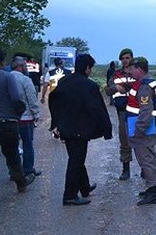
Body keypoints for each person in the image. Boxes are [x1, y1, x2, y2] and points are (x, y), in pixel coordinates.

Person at [49, 54, 113, 206]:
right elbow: (98, 109)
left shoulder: (64, 81)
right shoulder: (89, 86)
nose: (91, 71)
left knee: (76, 158)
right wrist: (107, 130)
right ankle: (69, 195)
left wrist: (56, 123)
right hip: (80, 129)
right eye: (91, 68)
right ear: (87, 68)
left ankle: (84, 187)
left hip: (66, 128)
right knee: (76, 161)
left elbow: (53, 101)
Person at [0, 48, 35, 204]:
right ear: (3, 61)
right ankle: (21, 184)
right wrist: (18, 113)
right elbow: (16, 99)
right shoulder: (7, 78)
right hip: (7, 122)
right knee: (12, 154)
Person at [127, 57, 156, 205]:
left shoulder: (144, 86)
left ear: (139, 70)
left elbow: (146, 111)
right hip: (146, 128)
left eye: (132, 69)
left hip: (142, 129)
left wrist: (139, 130)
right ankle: (151, 187)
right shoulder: (145, 82)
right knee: (149, 158)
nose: (130, 72)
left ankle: (154, 191)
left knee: (146, 160)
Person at [104, 48, 136, 180]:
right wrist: (115, 88)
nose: (125, 60)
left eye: (127, 58)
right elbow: (107, 90)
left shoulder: (137, 73)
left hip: (137, 111)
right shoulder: (116, 75)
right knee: (124, 140)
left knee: (141, 140)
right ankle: (126, 169)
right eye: (123, 58)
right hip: (122, 112)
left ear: (132, 58)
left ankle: (145, 169)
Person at [10, 57, 43, 177]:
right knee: (28, 144)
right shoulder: (25, 80)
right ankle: (28, 169)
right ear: (20, 66)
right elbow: (31, 98)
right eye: (24, 65)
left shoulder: (6, 78)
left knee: (12, 146)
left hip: (10, 118)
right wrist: (36, 114)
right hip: (25, 118)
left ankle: (13, 171)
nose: (26, 67)